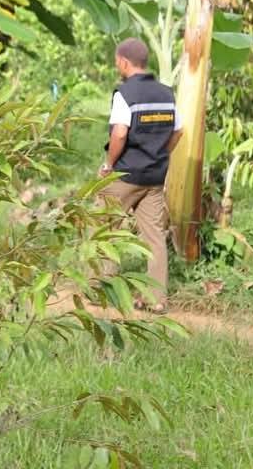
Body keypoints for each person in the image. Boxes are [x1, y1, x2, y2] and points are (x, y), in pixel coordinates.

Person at [98, 38, 183, 313]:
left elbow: (120, 133)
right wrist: (161, 153)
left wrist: (109, 163)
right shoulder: (166, 94)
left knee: (103, 228)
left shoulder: (125, 93)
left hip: (125, 175)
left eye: (116, 62)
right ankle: (156, 299)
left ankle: (101, 291)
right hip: (154, 178)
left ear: (124, 62)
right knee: (154, 238)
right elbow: (179, 131)